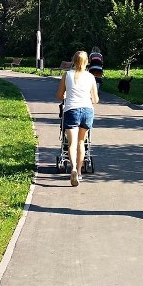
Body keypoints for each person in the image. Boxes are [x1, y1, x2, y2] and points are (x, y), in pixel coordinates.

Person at [56, 50, 99, 186]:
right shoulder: (91, 77)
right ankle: (79, 173)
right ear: (87, 62)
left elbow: (59, 95)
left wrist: (65, 96)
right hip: (87, 110)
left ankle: (73, 168)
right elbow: (96, 99)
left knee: (71, 144)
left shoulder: (67, 75)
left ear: (73, 61)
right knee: (82, 142)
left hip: (71, 110)